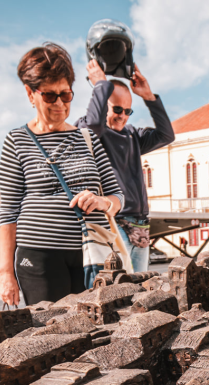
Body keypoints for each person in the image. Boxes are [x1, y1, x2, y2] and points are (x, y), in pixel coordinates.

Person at [0, 43, 123, 306]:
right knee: (50, 334)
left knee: (97, 331)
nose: (59, 104)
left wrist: (101, 202)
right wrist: (5, 274)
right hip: (39, 257)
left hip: (92, 254)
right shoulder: (17, 141)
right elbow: (8, 214)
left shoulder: (87, 138)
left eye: (65, 95)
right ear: (30, 94)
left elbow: (117, 197)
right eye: (49, 96)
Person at [77, 59, 174, 281]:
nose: (123, 115)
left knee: (138, 289)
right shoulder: (91, 132)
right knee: (113, 288)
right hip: (112, 221)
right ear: (103, 106)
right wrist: (101, 85)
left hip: (140, 225)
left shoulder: (133, 135)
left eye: (128, 110)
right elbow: (91, 126)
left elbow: (166, 135)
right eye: (117, 109)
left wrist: (149, 97)